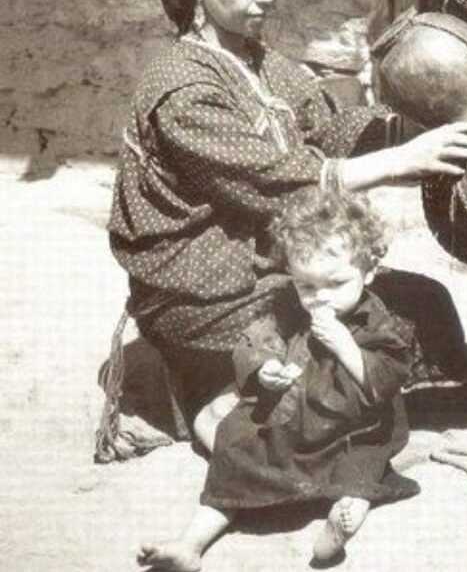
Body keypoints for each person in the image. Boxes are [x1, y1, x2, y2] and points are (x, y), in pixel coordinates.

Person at [107, 0, 467, 457]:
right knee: (335, 372)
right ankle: (211, 391)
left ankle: (258, 392)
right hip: (204, 293)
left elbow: (325, 128)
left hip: (265, 269)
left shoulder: (255, 59)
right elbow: (276, 179)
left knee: (427, 309)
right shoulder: (181, 89)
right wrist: (399, 162)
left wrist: (410, 132)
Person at [138, 189, 420, 570]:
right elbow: (258, 337)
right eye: (307, 286)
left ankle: (343, 520)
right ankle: (191, 544)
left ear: (369, 273)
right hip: (292, 419)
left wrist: (345, 346)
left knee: (364, 464)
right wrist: (264, 367)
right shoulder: (289, 305)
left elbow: (385, 380)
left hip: (350, 428)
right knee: (234, 451)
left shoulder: (376, 321)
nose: (320, 298)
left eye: (336, 284)